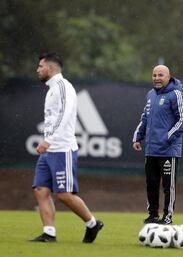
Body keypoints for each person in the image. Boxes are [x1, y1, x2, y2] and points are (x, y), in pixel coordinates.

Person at [30, 53, 103, 243]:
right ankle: (49, 233)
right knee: (40, 189)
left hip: (62, 149)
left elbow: (65, 114)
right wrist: (47, 141)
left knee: (63, 194)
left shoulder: (63, 87)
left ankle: (92, 224)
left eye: (40, 66)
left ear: (50, 68)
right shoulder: (51, 89)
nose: (37, 69)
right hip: (49, 151)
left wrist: (49, 140)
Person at [133, 65, 183, 225]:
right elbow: (145, 117)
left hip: (168, 150)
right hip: (151, 150)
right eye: (154, 75)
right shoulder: (150, 95)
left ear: (168, 76)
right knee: (151, 184)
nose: (157, 78)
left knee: (168, 186)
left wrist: (167, 137)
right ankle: (152, 215)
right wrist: (138, 137)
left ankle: (167, 217)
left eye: (161, 75)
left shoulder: (176, 94)